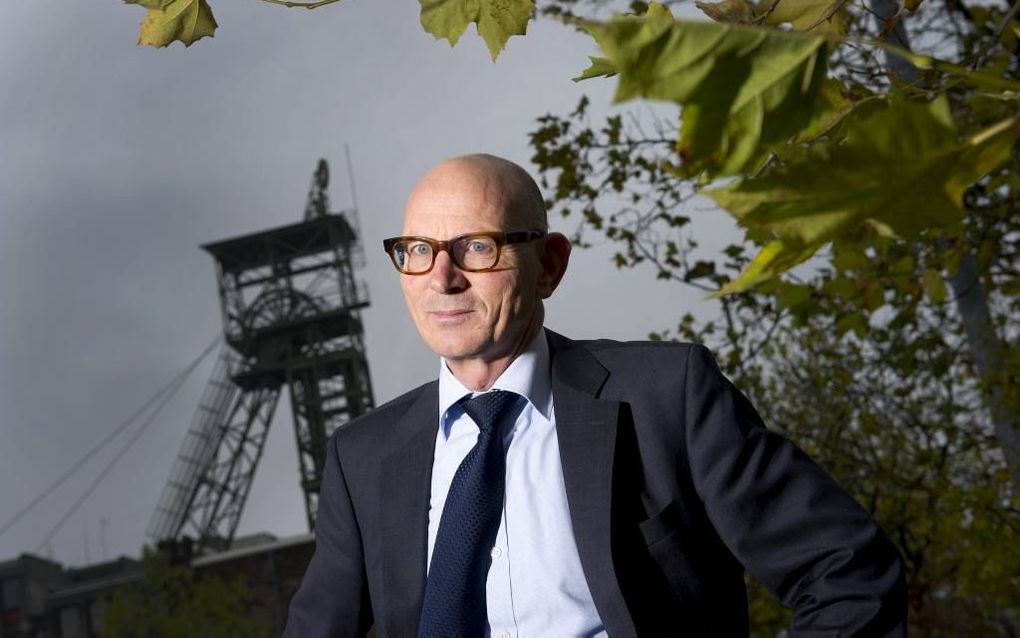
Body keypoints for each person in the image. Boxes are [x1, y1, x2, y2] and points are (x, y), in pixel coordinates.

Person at [284, 154, 906, 637]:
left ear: (549, 264)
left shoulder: (668, 400)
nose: (442, 278)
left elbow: (847, 570)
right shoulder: (361, 459)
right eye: (417, 251)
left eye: (476, 246)